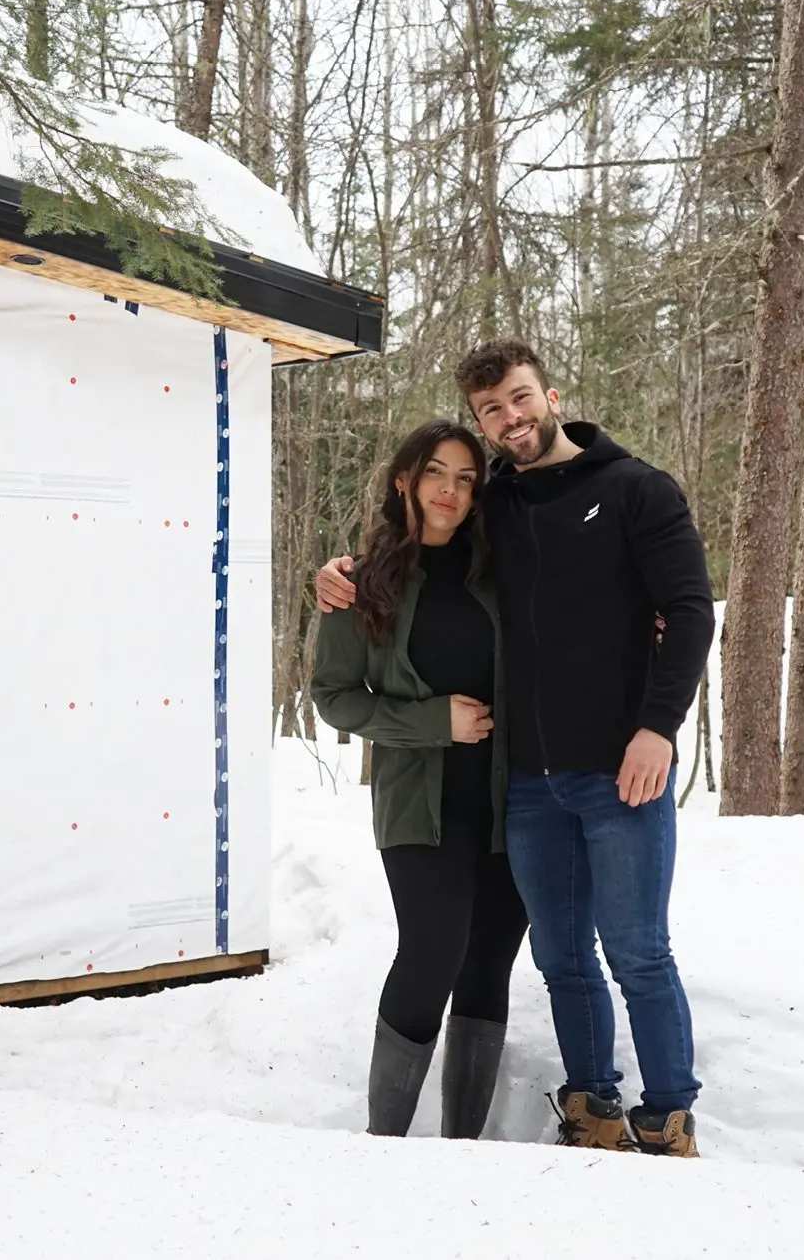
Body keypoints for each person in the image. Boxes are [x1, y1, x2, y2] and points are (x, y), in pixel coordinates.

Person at [317, 339, 715, 1158]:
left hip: (581, 777)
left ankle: (657, 1119)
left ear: (551, 395)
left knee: (618, 952)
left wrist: (658, 723)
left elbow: (683, 609)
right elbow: (353, 666)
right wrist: (339, 576)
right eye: (490, 410)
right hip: (494, 790)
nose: (509, 419)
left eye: (520, 398)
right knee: (524, 957)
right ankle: (559, 1114)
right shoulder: (451, 531)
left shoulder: (613, 497)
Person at [311, 420, 526, 1140]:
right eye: (436, 472)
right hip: (419, 804)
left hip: (510, 800)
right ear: (404, 478)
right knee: (433, 951)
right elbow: (335, 696)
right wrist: (434, 722)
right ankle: (385, 1145)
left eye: (466, 478)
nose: (450, 490)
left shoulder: (500, 571)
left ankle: (462, 1148)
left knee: (489, 960)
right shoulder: (360, 584)